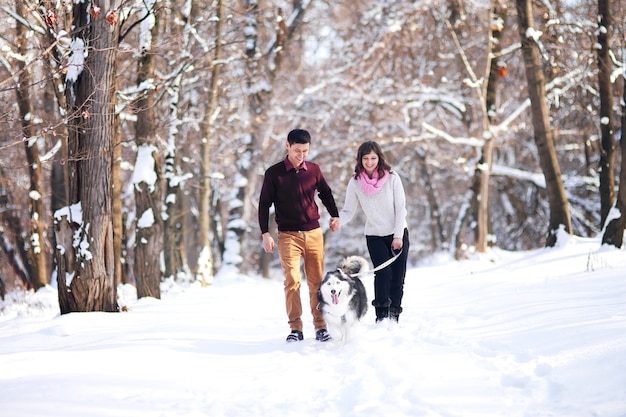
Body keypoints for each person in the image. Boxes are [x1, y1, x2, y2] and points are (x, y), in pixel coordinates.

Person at [258, 129, 340, 342]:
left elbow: (325, 193)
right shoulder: (274, 173)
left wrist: (335, 216)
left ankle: (320, 327)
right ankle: (296, 328)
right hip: (287, 235)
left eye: (305, 150)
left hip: (313, 233)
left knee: (316, 282)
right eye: (297, 150)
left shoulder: (313, 170)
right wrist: (265, 233)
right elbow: (264, 204)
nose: (301, 154)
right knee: (292, 281)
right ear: (287, 146)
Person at [333, 141, 409, 323]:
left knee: (397, 276)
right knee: (382, 274)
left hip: (398, 233)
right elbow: (348, 211)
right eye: (365, 158)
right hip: (374, 235)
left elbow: (401, 208)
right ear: (360, 159)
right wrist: (338, 221)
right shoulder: (355, 182)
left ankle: (394, 317)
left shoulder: (392, 177)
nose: (369, 162)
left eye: (373, 158)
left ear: (379, 158)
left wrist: (397, 236)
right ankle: (381, 317)